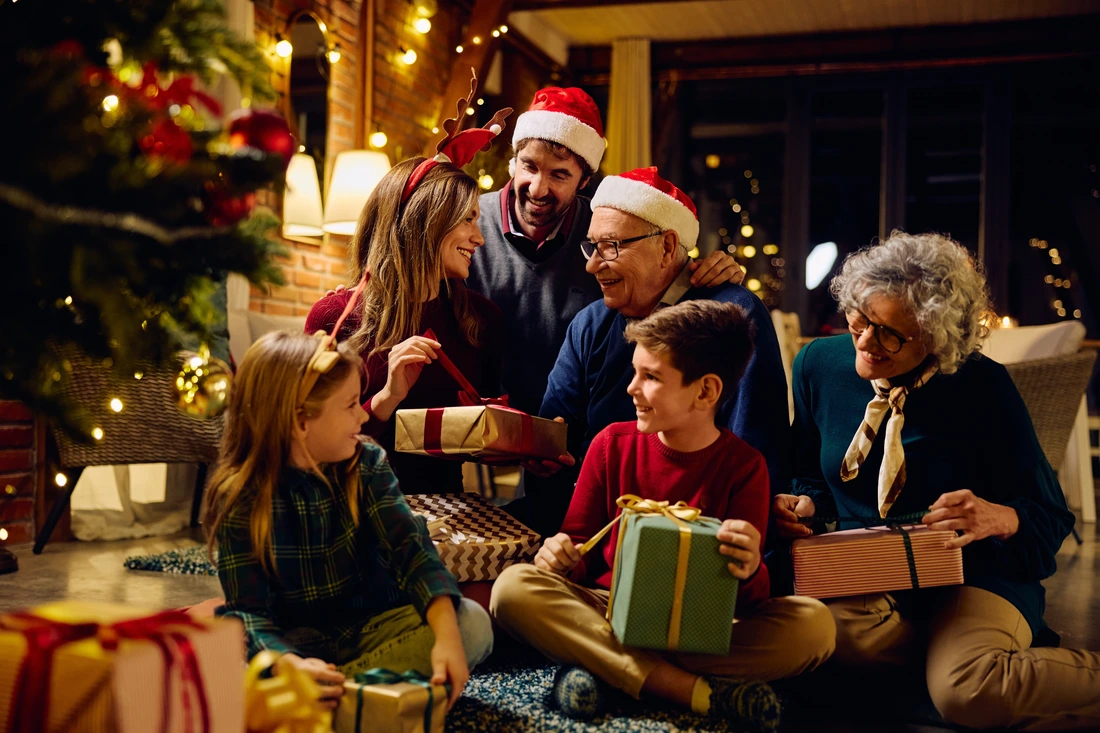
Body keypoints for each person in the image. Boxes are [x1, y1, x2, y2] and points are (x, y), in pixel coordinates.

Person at [772, 231, 1099, 730]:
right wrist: (805, 505)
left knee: (966, 690)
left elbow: (1050, 514)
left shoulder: (981, 384)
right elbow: (809, 474)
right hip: (872, 571)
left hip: (976, 571)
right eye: (859, 319)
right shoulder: (818, 365)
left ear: (936, 335)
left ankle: (961, 684)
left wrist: (999, 517)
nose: (864, 340)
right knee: (819, 639)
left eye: (889, 333)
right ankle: (957, 677)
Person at [491, 301, 835, 733]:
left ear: (706, 391)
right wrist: (559, 557)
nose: (632, 388)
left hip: (699, 626)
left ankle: (603, 667)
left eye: (650, 377)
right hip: (608, 609)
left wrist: (748, 568)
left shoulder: (745, 467)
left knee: (815, 627)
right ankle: (694, 691)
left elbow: (749, 602)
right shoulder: (610, 444)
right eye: (635, 372)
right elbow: (579, 553)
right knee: (512, 588)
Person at [203, 331, 493, 711]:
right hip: (294, 641)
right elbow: (250, 613)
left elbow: (412, 551)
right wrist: (288, 664)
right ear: (300, 422)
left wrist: (446, 638)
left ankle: (317, 698)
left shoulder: (367, 462)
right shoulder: (240, 494)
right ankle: (354, 694)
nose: (363, 414)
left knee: (472, 626)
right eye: (351, 404)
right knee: (225, 645)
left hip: (373, 626)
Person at [512, 167, 789, 537]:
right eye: (592, 246)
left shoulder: (733, 316)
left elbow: (758, 452)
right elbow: (555, 440)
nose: (592, 264)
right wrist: (543, 454)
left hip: (696, 537)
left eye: (611, 246)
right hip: (594, 534)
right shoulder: (589, 324)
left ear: (668, 247)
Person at [467, 86, 743, 416]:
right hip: (486, 419)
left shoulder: (604, 229)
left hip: (579, 422)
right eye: (529, 167)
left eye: (559, 175)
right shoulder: (468, 225)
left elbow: (663, 271)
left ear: (584, 181)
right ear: (514, 162)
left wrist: (717, 272)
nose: (538, 188)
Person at [305, 156, 504, 494]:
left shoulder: (482, 321)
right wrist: (387, 398)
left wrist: (527, 443)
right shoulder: (334, 316)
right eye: (467, 219)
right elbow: (312, 441)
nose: (479, 238)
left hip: (446, 515)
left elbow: (483, 443)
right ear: (427, 221)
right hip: (349, 505)